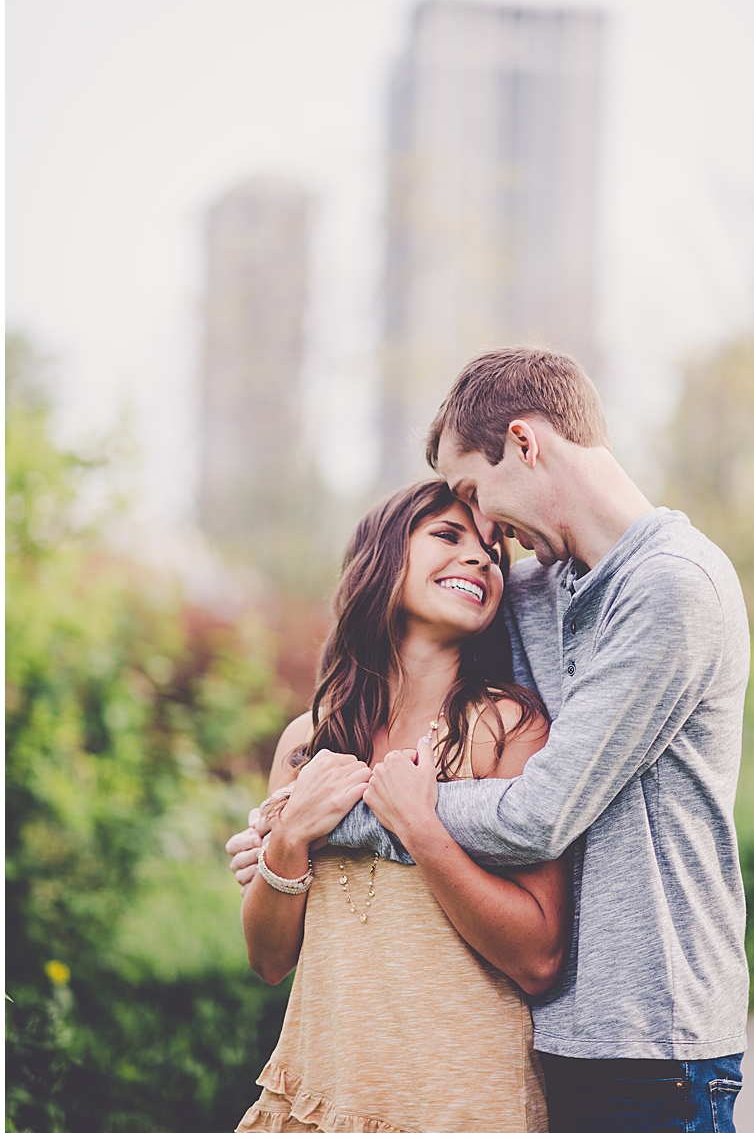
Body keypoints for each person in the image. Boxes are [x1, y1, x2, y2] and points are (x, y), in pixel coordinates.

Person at [230, 347, 751, 1132]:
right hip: (558, 1037)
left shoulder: (671, 587)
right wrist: (281, 837)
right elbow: (409, 624)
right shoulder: (532, 585)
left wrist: (339, 818)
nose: (482, 533)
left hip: (654, 1037)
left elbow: (540, 813)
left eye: (475, 493)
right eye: (457, 525)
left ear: (526, 442)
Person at [237, 479, 571, 1132]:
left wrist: (423, 828)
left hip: (461, 1104)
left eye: (491, 550)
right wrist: (288, 839)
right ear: (384, 559)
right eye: (448, 536)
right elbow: (269, 959)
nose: (480, 557)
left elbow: (539, 957)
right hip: (319, 1097)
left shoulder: (509, 729)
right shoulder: (307, 742)